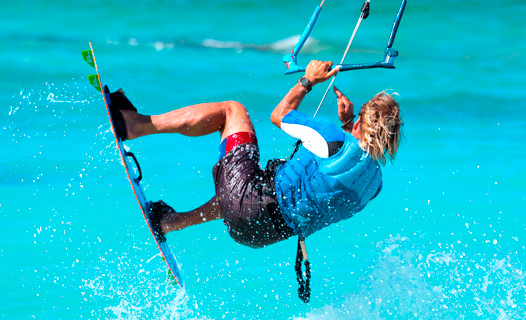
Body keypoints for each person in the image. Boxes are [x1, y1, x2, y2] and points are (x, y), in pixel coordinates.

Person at [109, 60, 403, 250]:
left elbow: (279, 115)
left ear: (363, 121)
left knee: (232, 111)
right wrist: (346, 125)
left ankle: (136, 125)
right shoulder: (374, 185)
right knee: (247, 190)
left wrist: (308, 81)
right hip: (263, 235)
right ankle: (170, 223)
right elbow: (330, 180)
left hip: (253, 204)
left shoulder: (333, 139)